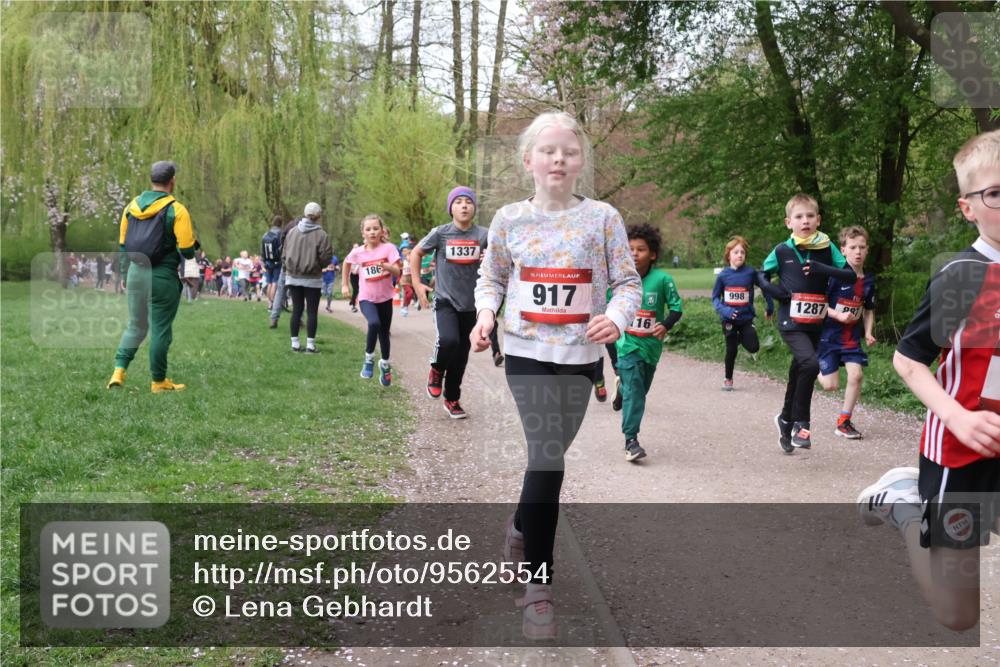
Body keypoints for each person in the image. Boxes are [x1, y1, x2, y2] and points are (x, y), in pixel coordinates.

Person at [470, 111, 641, 638]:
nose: (558, 159)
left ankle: (522, 525)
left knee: (548, 459)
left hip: (581, 356)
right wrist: (486, 314)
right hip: (526, 351)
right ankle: (538, 589)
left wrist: (616, 319)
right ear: (529, 160)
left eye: (569, 151)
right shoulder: (508, 219)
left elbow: (627, 283)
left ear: (581, 161)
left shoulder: (603, 218)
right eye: (548, 151)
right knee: (547, 457)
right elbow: (491, 277)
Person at [857, 130, 1000, 632]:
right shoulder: (963, 276)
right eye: (995, 193)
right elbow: (908, 361)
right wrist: (959, 419)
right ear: (968, 209)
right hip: (961, 453)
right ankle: (902, 504)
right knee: (957, 616)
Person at [759, 193, 857, 453]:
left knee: (799, 369)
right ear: (788, 222)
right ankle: (802, 424)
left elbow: (850, 275)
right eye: (799, 217)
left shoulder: (826, 247)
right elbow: (761, 275)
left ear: (818, 220)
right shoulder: (782, 250)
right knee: (811, 364)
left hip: (815, 321)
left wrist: (821, 269)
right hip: (790, 320)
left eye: (810, 216)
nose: (805, 221)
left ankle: (785, 419)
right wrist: (776, 292)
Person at [106, 160, 197, 393]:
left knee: (135, 325)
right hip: (162, 276)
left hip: (136, 273)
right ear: (172, 181)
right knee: (160, 329)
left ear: (152, 180)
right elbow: (187, 250)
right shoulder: (177, 210)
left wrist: (125, 273)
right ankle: (158, 381)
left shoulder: (131, 207)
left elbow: (123, 245)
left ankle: (118, 371)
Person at [412, 186, 489, 418]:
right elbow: (416, 253)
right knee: (448, 340)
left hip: (472, 304)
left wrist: (490, 258)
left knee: (461, 355)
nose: (464, 205)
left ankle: (452, 398)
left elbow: (501, 260)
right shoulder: (441, 233)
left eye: (468, 202)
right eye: (458, 202)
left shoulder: (484, 235)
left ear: (474, 207)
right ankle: (436, 369)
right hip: (445, 300)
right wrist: (417, 284)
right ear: (451, 208)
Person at [615, 223, 683, 462]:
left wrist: (665, 325)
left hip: (651, 347)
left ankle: (621, 388)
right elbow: (608, 306)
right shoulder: (619, 280)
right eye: (630, 249)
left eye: (640, 249)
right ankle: (630, 440)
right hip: (627, 344)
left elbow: (676, 308)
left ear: (652, 254)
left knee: (639, 390)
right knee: (635, 392)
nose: (634, 254)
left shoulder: (662, 279)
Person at [816, 226, 877, 438]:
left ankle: (844, 422)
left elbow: (868, 310)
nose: (857, 252)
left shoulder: (868, 280)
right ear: (843, 250)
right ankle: (811, 364)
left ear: (867, 250)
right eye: (852, 247)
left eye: (862, 247)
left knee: (856, 375)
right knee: (830, 386)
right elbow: (820, 304)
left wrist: (868, 332)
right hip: (828, 338)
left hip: (851, 339)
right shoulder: (835, 276)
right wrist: (838, 315)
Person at [343, 214, 402, 385]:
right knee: (374, 323)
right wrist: (345, 284)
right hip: (366, 298)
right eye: (368, 229)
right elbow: (347, 263)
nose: (372, 232)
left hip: (385, 298)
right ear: (363, 233)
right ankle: (368, 358)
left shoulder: (389, 248)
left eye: (376, 228)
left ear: (382, 231)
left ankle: (385, 365)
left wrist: (387, 266)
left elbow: (398, 271)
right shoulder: (358, 252)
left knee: (384, 333)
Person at [711, 236, 774, 391]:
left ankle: (739, 338)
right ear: (728, 256)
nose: (740, 255)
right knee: (731, 349)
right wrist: (725, 310)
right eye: (736, 252)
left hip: (746, 319)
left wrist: (770, 306)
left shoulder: (750, 272)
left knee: (754, 347)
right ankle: (728, 379)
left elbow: (765, 287)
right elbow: (715, 298)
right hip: (729, 320)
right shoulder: (723, 275)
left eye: (742, 252)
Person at [282, 202, 333, 353]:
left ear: (305, 214)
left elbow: (284, 254)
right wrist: (319, 265)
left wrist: (288, 268)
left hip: (293, 277)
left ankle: (295, 344)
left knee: (296, 310)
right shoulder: (322, 235)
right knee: (312, 312)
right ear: (318, 216)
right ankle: (310, 345)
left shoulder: (292, 232)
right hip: (313, 278)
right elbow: (326, 257)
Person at [262, 215, 283, 308]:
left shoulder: (266, 234)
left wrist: (264, 261)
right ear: (280, 223)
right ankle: (273, 303)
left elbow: (262, 250)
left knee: (269, 283)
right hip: (277, 262)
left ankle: (269, 304)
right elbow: (281, 248)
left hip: (267, 262)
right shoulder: (279, 234)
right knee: (275, 282)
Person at [399, 247, 416, 316]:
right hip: (404, 281)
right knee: (410, 293)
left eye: (410, 255)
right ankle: (405, 306)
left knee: (410, 294)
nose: (409, 257)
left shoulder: (414, 262)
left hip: (412, 281)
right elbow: (398, 270)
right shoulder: (403, 262)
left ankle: (405, 306)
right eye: (408, 255)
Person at [348, 243, 361, 313]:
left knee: (360, 290)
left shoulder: (361, 256)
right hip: (353, 276)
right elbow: (348, 266)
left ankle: (352, 301)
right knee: (355, 290)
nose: (356, 249)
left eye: (357, 248)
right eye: (354, 248)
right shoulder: (350, 256)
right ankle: (353, 306)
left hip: (360, 275)